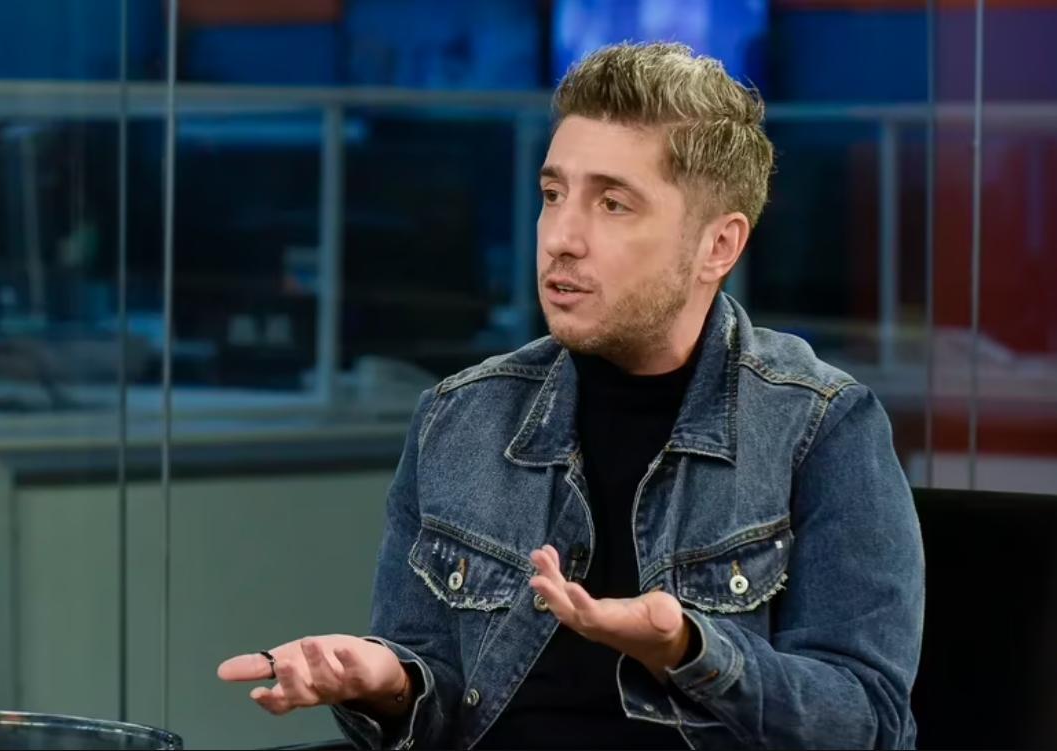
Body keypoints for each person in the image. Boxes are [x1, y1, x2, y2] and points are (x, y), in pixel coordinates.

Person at [217, 42, 924, 750]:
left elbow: (869, 722)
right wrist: (389, 682)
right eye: (553, 195)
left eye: (612, 204)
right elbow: (436, 703)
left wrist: (688, 650)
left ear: (718, 246)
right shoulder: (459, 417)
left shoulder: (820, 426)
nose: (561, 237)